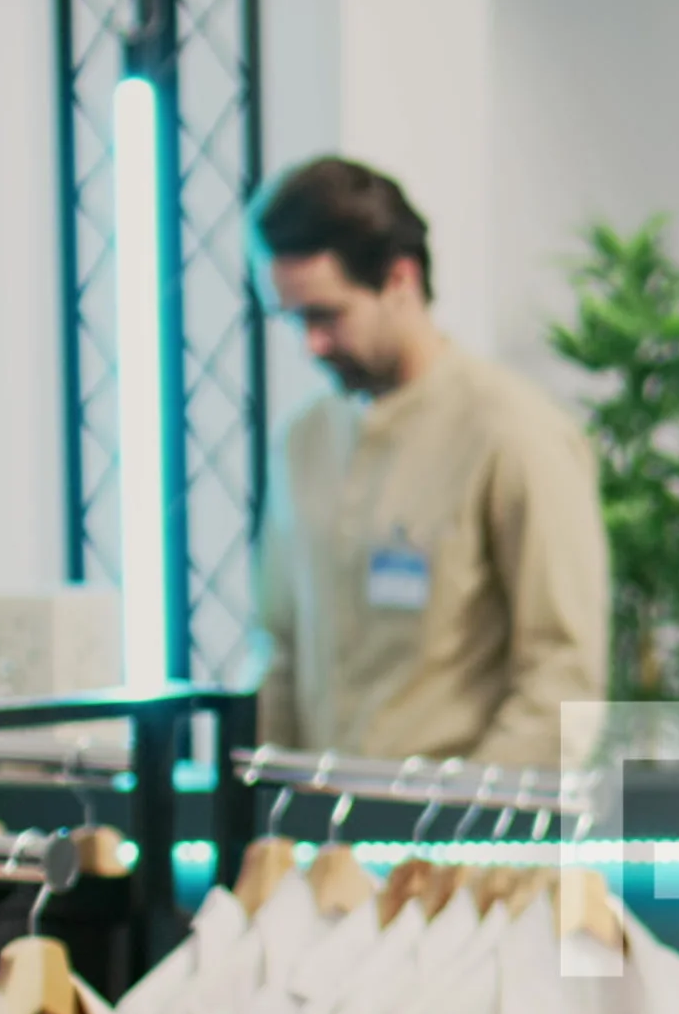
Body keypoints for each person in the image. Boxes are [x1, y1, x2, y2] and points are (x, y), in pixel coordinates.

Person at [249, 156, 609, 772]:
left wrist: (455, 835)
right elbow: (279, 654)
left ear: (400, 281)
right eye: (293, 320)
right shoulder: (302, 442)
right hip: (323, 838)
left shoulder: (516, 435)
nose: (311, 345)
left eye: (326, 316)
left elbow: (562, 677)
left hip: (462, 839)